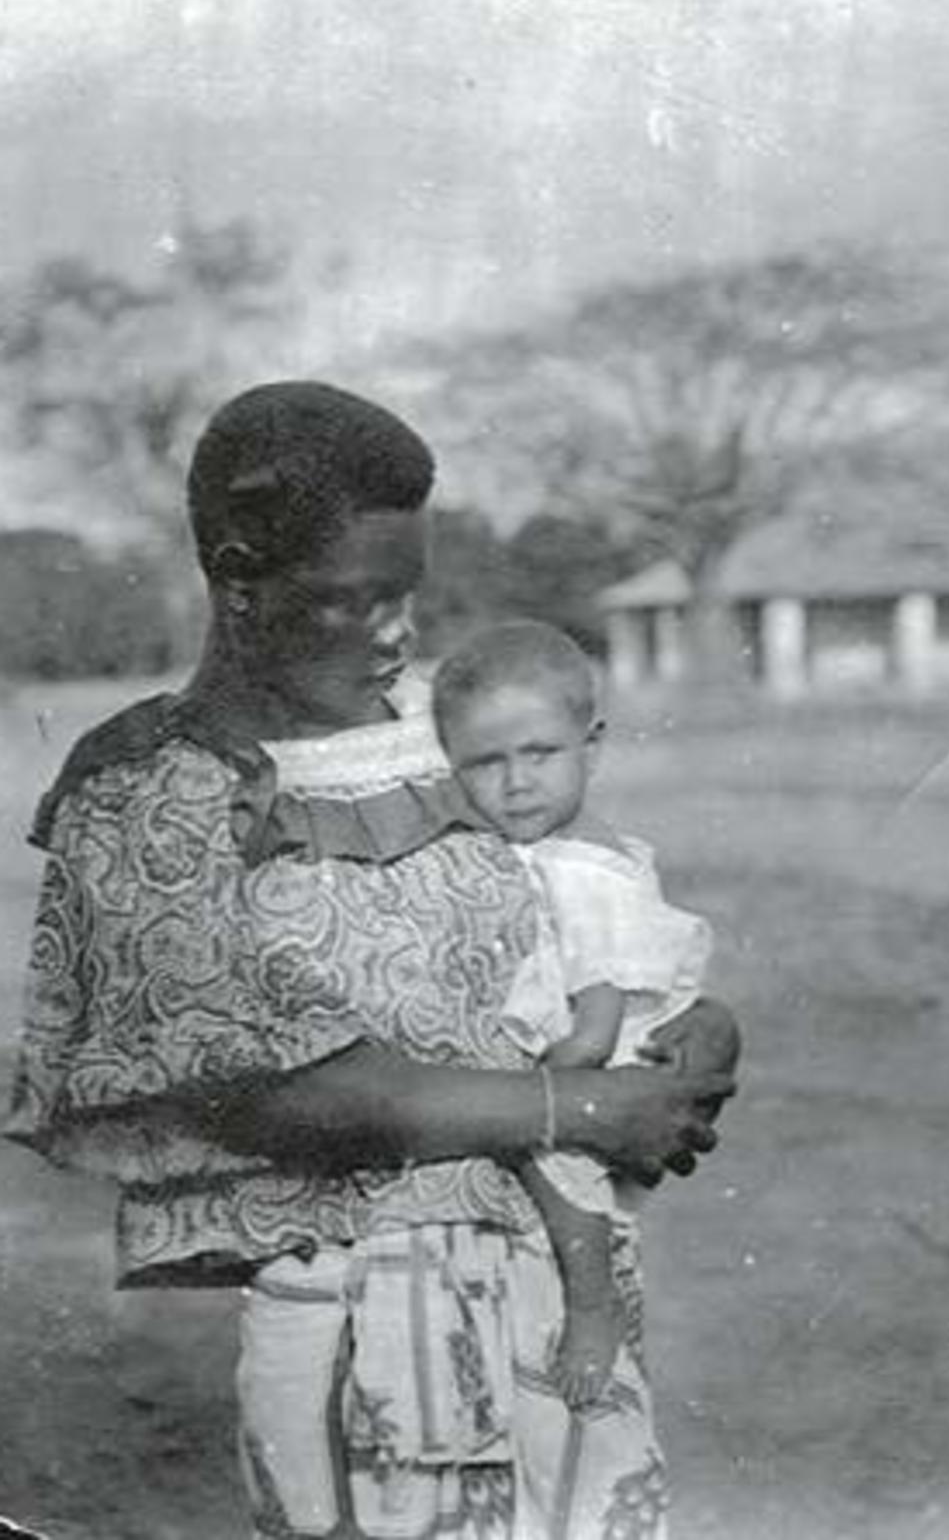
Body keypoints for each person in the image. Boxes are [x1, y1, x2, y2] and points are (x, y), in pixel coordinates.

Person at [5, 381, 737, 1540]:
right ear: (238, 577)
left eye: (408, 594)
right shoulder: (149, 787)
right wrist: (586, 1102)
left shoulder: (427, 742)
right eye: (351, 600)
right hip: (362, 1324)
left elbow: (564, 910)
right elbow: (280, 1089)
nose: (397, 632)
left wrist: (682, 1028)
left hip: (555, 1293)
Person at [431, 620, 741, 1412]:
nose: (517, 783)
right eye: (485, 764)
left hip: (604, 1055)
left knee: (554, 1165)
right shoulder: (543, 852)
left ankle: (591, 1309)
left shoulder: (581, 871)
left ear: (591, 747)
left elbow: (597, 1019)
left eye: (540, 754)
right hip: (585, 1043)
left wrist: (535, 1090)